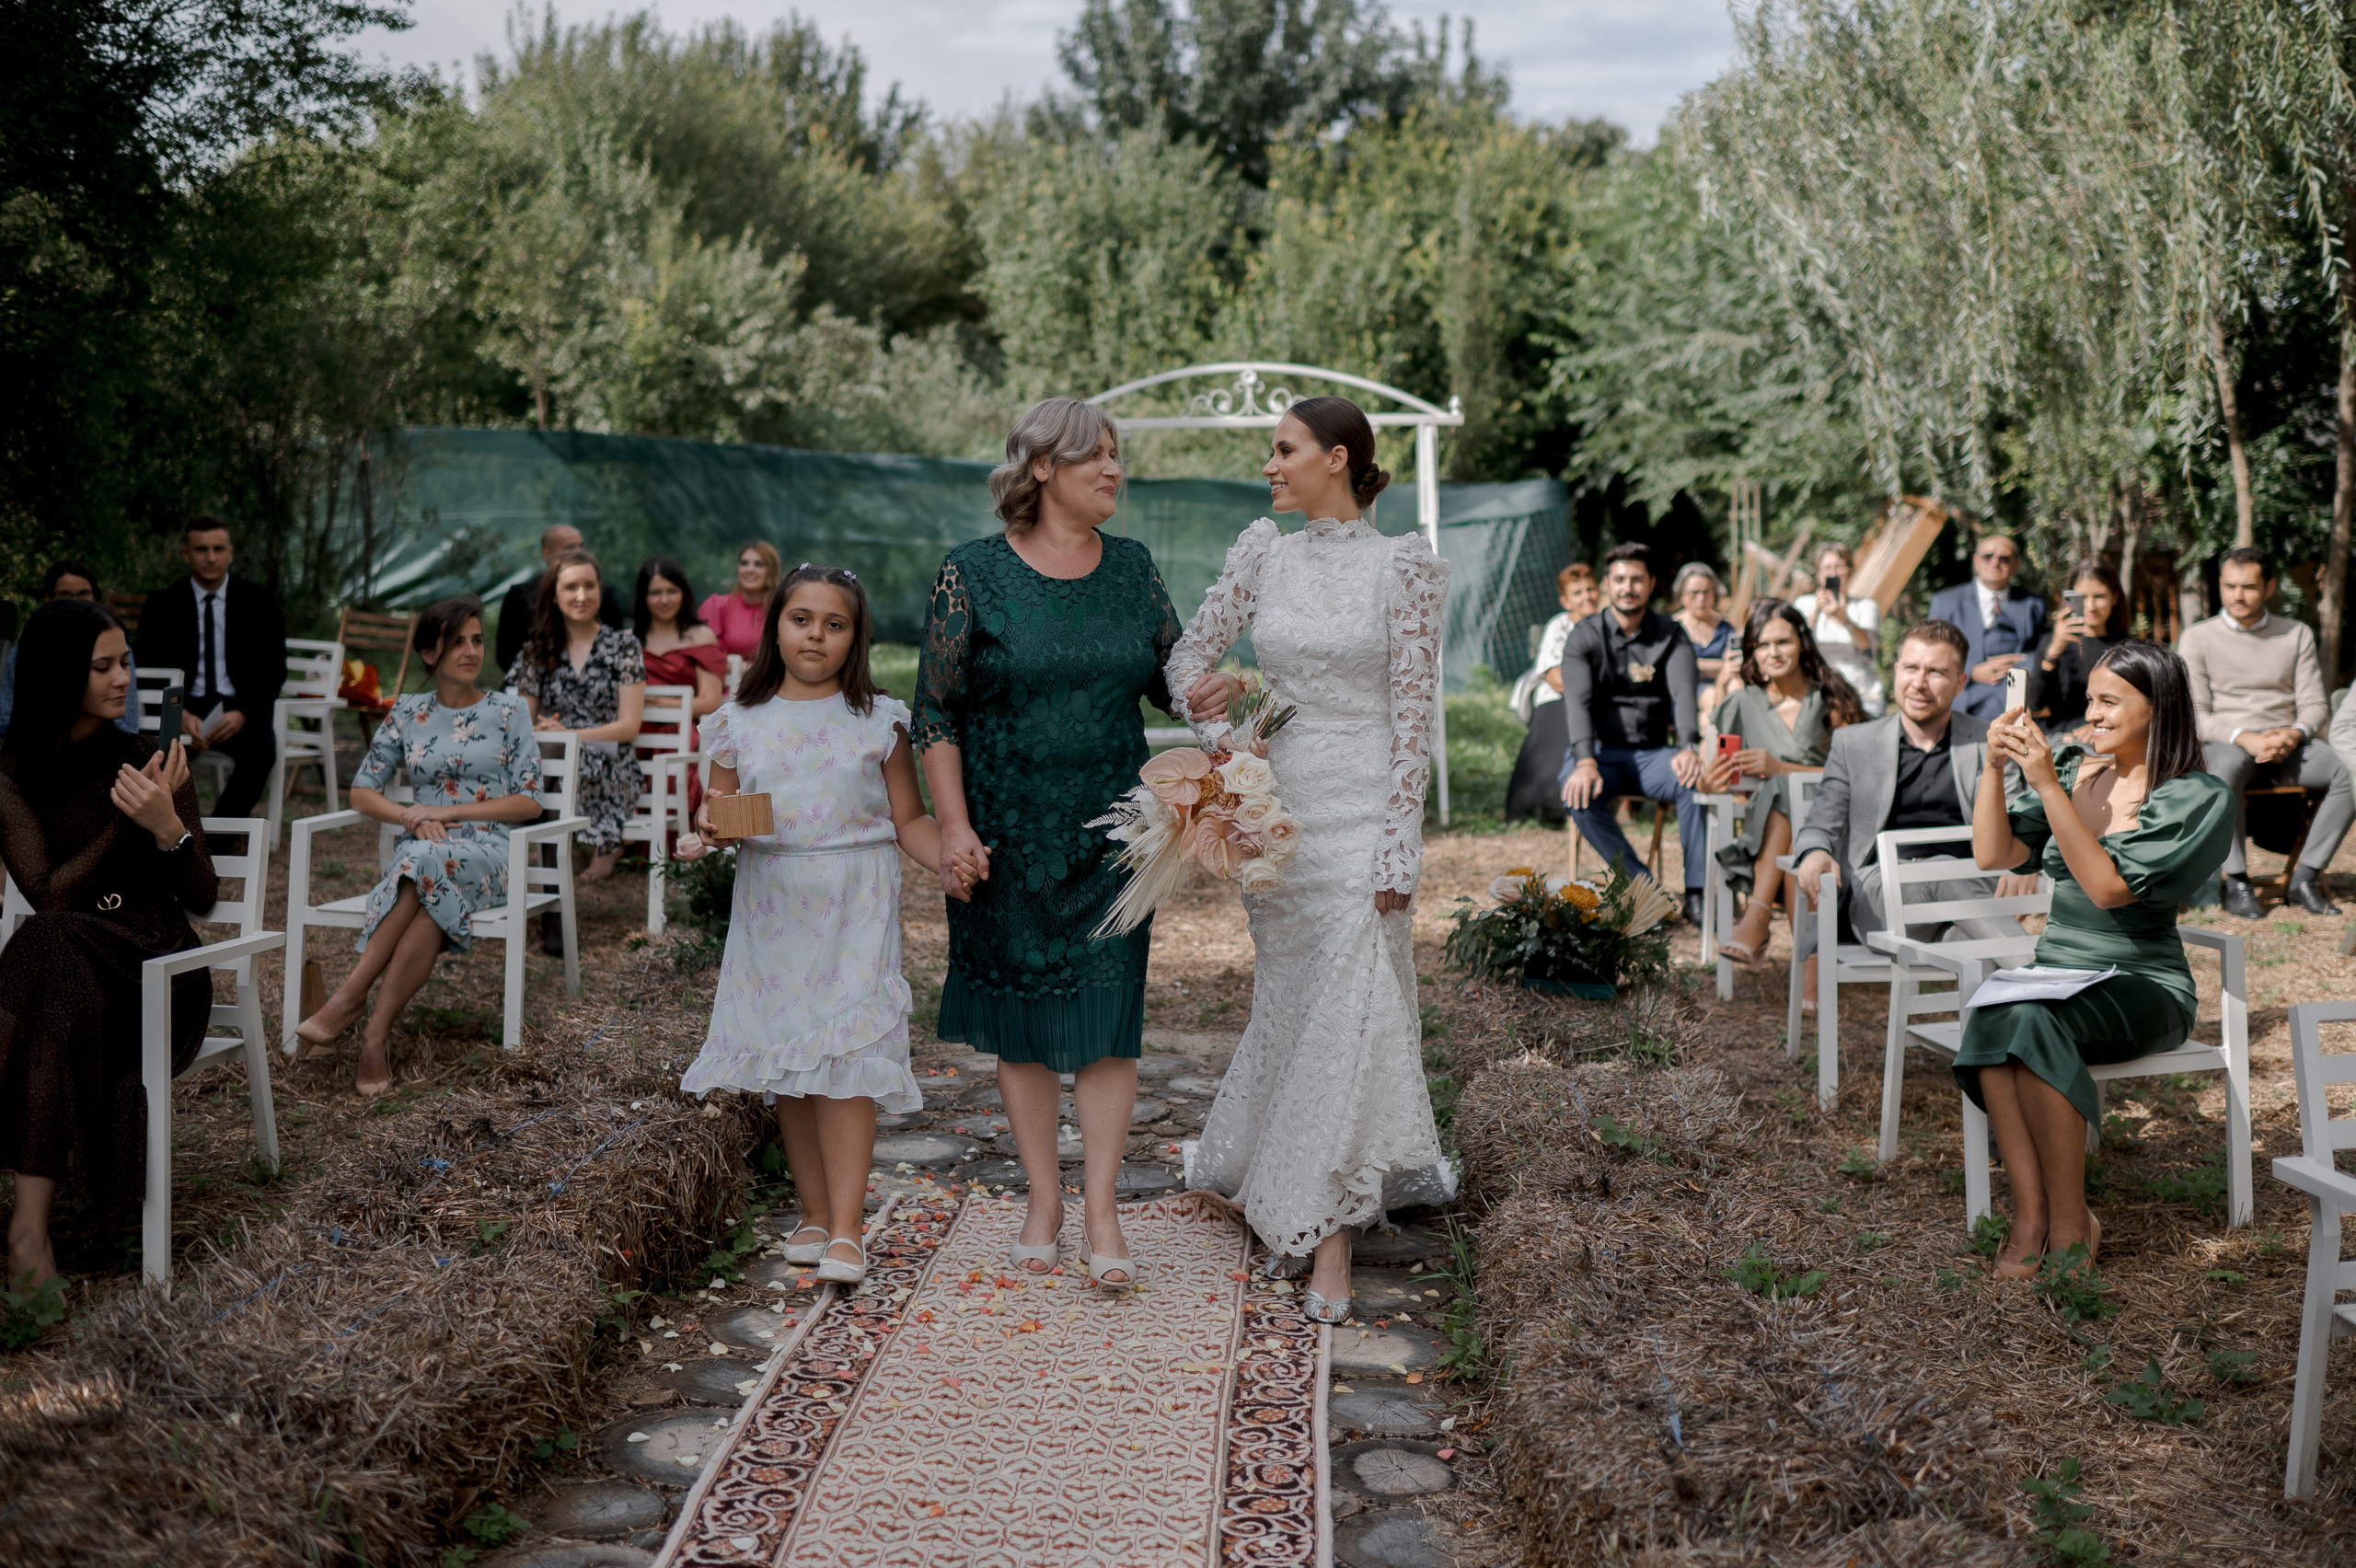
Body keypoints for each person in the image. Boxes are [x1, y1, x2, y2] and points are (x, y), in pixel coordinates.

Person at [1169, 395, 1451, 1325]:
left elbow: (1415, 714)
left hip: (1365, 807)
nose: (1270, 466)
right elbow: (1188, 661)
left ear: (1336, 458)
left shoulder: (1404, 567)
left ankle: (1323, 1233)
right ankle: (1284, 1168)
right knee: (1298, 1007)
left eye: (1283, 451)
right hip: (1277, 817)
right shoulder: (1263, 554)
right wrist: (1225, 746)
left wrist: (1399, 839)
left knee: (1353, 1003)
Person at [915, 399, 1182, 1289]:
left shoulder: (1136, 571)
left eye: (1117, 455)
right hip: (1006, 837)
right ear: (1040, 469)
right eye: (1095, 456)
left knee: (1109, 1022)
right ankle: (1043, 1200)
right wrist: (953, 825)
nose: (1114, 470)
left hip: (1115, 836)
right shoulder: (974, 575)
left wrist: (1217, 695)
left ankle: (1102, 1208)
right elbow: (934, 714)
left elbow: (1175, 686)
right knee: (1024, 1026)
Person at [675, 567, 959, 1285]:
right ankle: (810, 1209)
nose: (817, 635)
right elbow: (721, 810)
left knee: (848, 1060)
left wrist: (950, 863)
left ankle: (847, 1228)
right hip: (774, 905)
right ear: (776, 626)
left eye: (836, 624)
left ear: (856, 638)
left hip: (854, 903)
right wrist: (707, 830)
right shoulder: (738, 721)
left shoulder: (879, 721)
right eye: (802, 619)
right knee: (792, 1066)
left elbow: (910, 821)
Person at [1960, 641, 2235, 1278]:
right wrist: (1990, 769)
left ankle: (2068, 1219)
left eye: (2110, 701)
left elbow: (2110, 889)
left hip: (2143, 982)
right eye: (2091, 700)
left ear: (2158, 707)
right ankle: (2034, 1216)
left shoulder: (2198, 797)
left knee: (2031, 1018)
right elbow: (1993, 855)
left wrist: (2049, 786)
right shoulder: (2077, 771)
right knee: (1996, 1017)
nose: (2095, 713)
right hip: (2060, 972)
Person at [0, 600, 210, 1287]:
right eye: (104, 666)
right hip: (73, 976)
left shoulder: (151, 758)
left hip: (156, 969)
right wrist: (128, 823)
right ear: (61, 674)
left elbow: (202, 891)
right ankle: (29, 1234)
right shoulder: (13, 773)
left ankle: (30, 1233)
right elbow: (49, 893)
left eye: (126, 661)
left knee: (46, 949)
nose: (125, 678)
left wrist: (163, 823)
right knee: (55, 969)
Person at [291, 600, 546, 1095]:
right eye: (457, 642)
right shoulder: (408, 711)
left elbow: (530, 802)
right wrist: (410, 815)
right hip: (427, 852)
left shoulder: (509, 710)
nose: (470, 651)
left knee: (421, 861)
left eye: (476, 640)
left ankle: (347, 997)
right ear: (429, 652)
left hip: (493, 854)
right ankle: (372, 1038)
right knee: (429, 891)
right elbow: (362, 790)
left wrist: (447, 814)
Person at [1788, 620, 2030, 1008]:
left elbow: (2021, 817)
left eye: (1936, 672)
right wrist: (1815, 851)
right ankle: (2045, 977)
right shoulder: (1855, 742)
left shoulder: (1988, 740)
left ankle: (1997, 1059)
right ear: (1896, 671)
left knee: (1981, 953)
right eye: (1911, 668)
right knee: (1939, 874)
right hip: (1879, 898)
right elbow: (1822, 819)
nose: (1920, 682)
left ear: (1960, 682)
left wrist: (2025, 862)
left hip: (1969, 905)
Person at [2177, 547, 2350, 919]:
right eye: (2230, 586)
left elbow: (2315, 706)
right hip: (2230, 743)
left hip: (2289, 744)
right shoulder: (2197, 638)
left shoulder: (2296, 634)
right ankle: (2238, 881)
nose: (2238, 596)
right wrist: (2244, 736)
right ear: (2220, 586)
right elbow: (2196, 715)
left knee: (2349, 770)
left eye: (2249, 587)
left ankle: (2304, 876)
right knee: (2222, 769)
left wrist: (2296, 733)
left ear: (2270, 586)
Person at [1702, 599, 1865, 966]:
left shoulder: (1831, 696)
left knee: (1789, 805)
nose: (1773, 653)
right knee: (1792, 827)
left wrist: (1781, 767)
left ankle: (1757, 919)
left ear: (1802, 643)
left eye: (1783, 642)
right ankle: (1809, 969)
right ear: (1752, 652)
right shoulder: (1740, 703)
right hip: (1771, 835)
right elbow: (1711, 773)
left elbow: (1861, 775)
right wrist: (1710, 782)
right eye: (1763, 644)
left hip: (1837, 826)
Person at [1558, 542, 1708, 927]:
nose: (1628, 587)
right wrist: (1585, 761)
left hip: (1654, 754)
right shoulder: (1584, 635)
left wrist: (1690, 746)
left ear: (1652, 584)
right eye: (1620, 579)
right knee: (1575, 788)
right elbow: (1578, 702)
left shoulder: (1671, 635)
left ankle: (1698, 894)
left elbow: (1683, 694)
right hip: (1600, 754)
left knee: (1694, 780)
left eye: (1637, 579)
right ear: (1607, 583)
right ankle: (1644, 887)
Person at [133, 517, 286, 821]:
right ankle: (164, 833)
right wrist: (179, 713)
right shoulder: (162, 604)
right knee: (154, 756)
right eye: (201, 549)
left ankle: (219, 835)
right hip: (183, 703)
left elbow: (274, 668)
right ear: (185, 554)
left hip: (238, 706)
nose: (211, 557)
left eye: (218, 549)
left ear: (230, 552)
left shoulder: (260, 602)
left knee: (262, 751)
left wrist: (244, 712)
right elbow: (145, 667)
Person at [508, 550, 645, 884]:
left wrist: (569, 735)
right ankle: (553, 900)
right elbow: (523, 722)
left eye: (589, 585)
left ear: (600, 590)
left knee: (552, 760)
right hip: (552, 757)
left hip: (609, 763)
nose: (582, 596)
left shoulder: (623, 647)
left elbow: (629, 727)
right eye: (571, 587)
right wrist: (553, 734)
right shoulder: (536, 649)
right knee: (550, 760)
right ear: (554, 596)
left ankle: (508, 830)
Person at [0, 561, 141, 738]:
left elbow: (128, 724)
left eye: (83, 594)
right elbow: (6, 717)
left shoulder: (119, 648)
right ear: (48, 599)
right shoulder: (23, 653)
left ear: (95, 597)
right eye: (65, 595)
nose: (76, 603)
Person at [1502, 564, 1597, 824]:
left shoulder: (1605, 625)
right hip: (1558, 698)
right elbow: (1556, 680)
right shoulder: (1559, 627)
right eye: (1578, 593)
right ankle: (1542, 804)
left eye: (1590, 589)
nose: (1587, 596)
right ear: (1565, 601)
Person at [634, 557, 728, 818]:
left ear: (683, 593)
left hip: (686, 727)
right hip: (635, 728)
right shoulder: (629, 639)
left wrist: (657, 704)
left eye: (671, 591)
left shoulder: (699, 636)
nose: (664, 600)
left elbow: (710, 700)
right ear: (643, 596)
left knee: (681, 745)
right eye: (655, 592)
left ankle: (684, 842)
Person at [1927, 534, 2046, 719]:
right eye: (1987, 556)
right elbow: (1932, 654)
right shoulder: (1945, 603)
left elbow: (2044, 649)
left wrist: (2018, 663)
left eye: (2004, 558)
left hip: (2017, 691)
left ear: (2016, 565)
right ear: (1976, 562)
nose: (1995, 563)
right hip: (1966, 694)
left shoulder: (2032, 603)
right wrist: (1972, 671)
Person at [495, 525, 625, 674]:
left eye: (581, 546)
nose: (578, 552)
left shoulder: (605, 597)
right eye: (570, 547)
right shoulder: (521, 597)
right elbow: (506, 653)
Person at [2027, 559, 2128, 741]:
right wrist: (2052, 654)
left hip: (2111, 736)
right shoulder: (2053, 643)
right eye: (2082, 598)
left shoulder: (2127, 646)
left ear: (2115, 597)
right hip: (2063, 737)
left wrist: (2098, 726)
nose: (2091, 606)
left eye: (2099, 596)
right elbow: (2035, 706)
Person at [1791, 542, 1887, 716]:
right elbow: (1796, 647)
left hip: (1862, 692)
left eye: (1839, 566)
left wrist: (1843, 618)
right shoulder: (1803, 605)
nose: (1833, 573)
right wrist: (1815, 614)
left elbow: (1869, 652)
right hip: (1819, 691)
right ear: (1818, 573)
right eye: (1826, 568)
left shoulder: (1866, 607)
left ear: (1850, 570)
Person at [699, 541, 783, 663]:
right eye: (744, 563)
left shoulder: (780, 609)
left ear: (771, 570)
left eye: (759, 564)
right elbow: (703, 657)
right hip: (724, 681)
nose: (749, 569)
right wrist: (744, 669)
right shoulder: (716, 606)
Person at [1670, 561, 1736, 711]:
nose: (1701, 598)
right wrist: (1719, 665)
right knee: (1711, 695)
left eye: (1706, 592)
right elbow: (1677, 667)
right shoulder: (1673, 626)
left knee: (1736, 689)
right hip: (1686, 689)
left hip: (1722, 683)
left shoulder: (1726, 627)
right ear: (1681, 595)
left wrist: (1696, 664)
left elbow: (1733, 664)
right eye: (1694, 593)